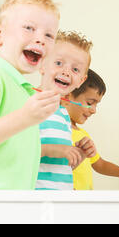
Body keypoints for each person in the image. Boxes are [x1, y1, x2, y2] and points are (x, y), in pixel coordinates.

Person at [0, 0, 61, 190]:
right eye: (29, 28)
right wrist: (25, 117)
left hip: (13, 205)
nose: (40, 39)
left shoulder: (22, 90)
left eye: (49, 35)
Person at [35, 30, 94, 190]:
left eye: (75, 70)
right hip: (35, 199)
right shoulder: (29, 104)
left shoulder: (62, 115)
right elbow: (16, 150)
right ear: (42, 65)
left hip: (61, 198)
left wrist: (78, 155)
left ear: (81, 80)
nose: (66, 72)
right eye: (59, 63)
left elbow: (58, 167)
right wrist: (53, 149)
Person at [64, 69, 119, 190]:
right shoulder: (58, 132)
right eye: (90, 102)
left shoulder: (83, 135)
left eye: (96, 104)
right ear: (67, 96)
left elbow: (99, 165)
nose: (94, 110)